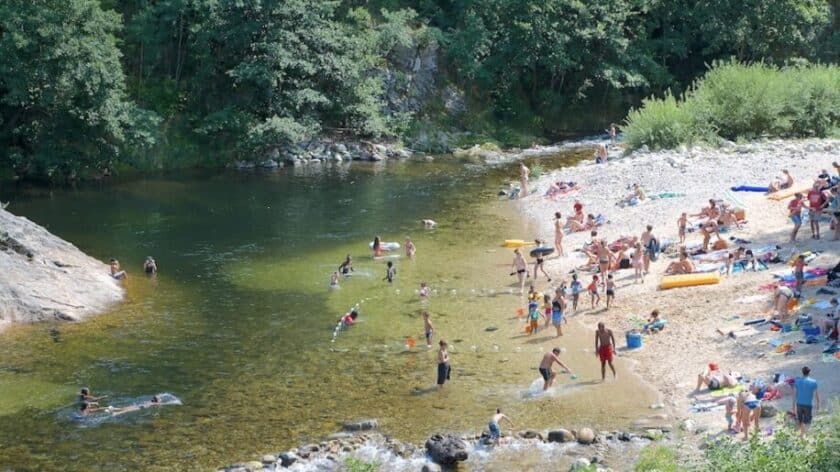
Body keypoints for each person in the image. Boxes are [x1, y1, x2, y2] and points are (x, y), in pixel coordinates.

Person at [793, 366, 820, 437]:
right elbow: (816, 395)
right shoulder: (814, 382)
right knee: (807, 421)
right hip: (808, 404)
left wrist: (793, 406)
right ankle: (803, 435)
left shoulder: (797, 381)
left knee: (800, 420)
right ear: (809, 372)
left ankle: (801, 434)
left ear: (802, 372)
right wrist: (818, 404)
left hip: (799, 404)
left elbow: (795, 394)